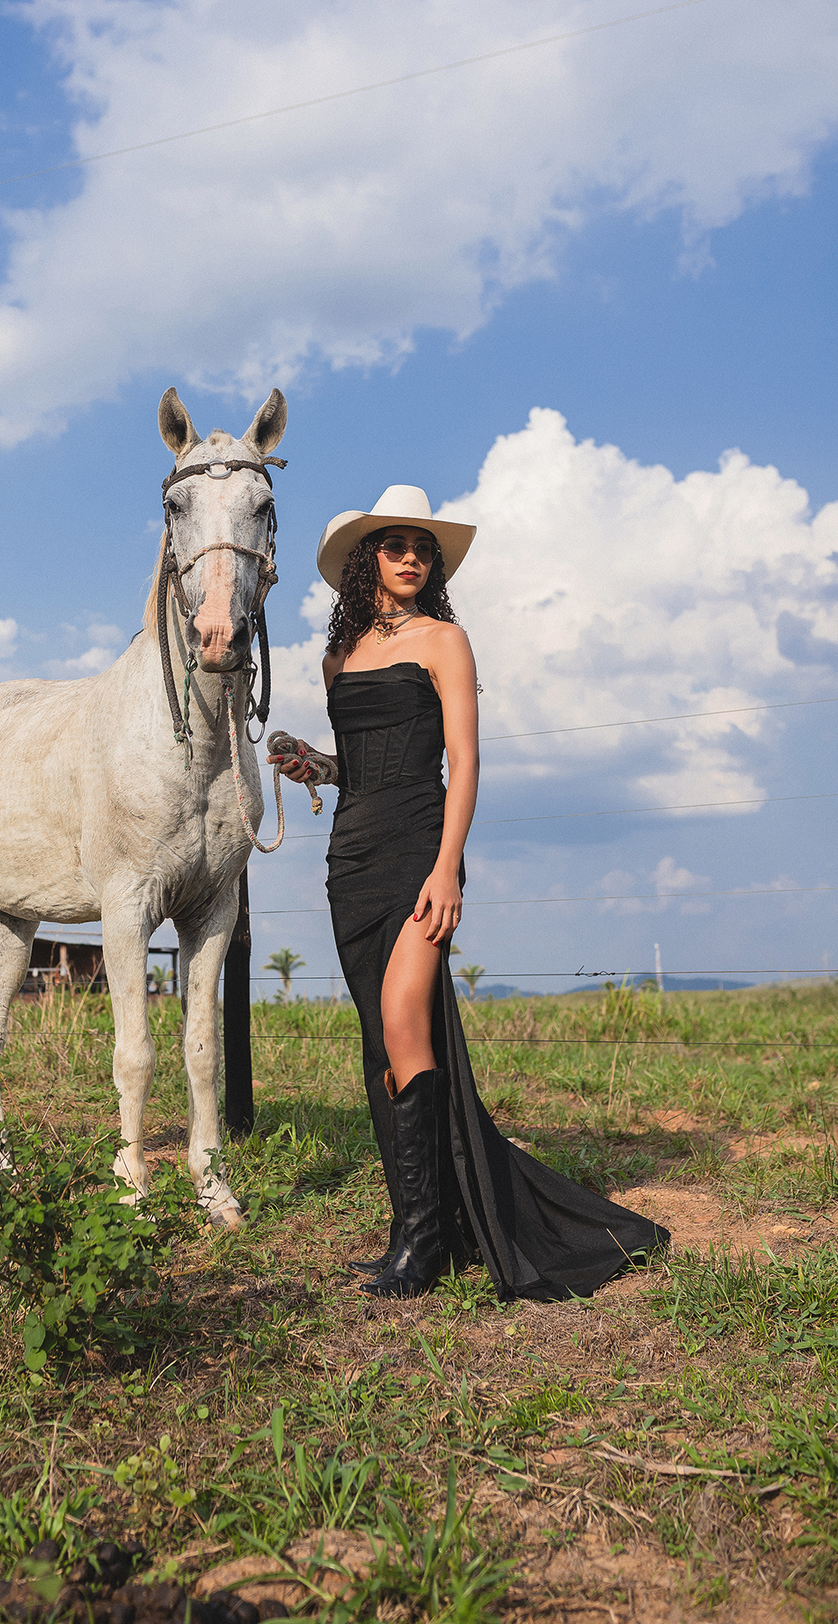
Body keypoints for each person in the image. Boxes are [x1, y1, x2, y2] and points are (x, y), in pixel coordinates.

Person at [269, 485, 669, 1302]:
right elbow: (369, 763)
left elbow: (461, 761)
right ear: (366, 559)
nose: (412, 556)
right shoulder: (337, 657)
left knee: (406, 1022)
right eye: (395, 544)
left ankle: (426, 1243)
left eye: (424, 546)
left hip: (421, 850)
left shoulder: (447, 641)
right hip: (350, 859)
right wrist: (318, 764)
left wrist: (448, 865)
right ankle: (416, 1225)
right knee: (380, 1046)